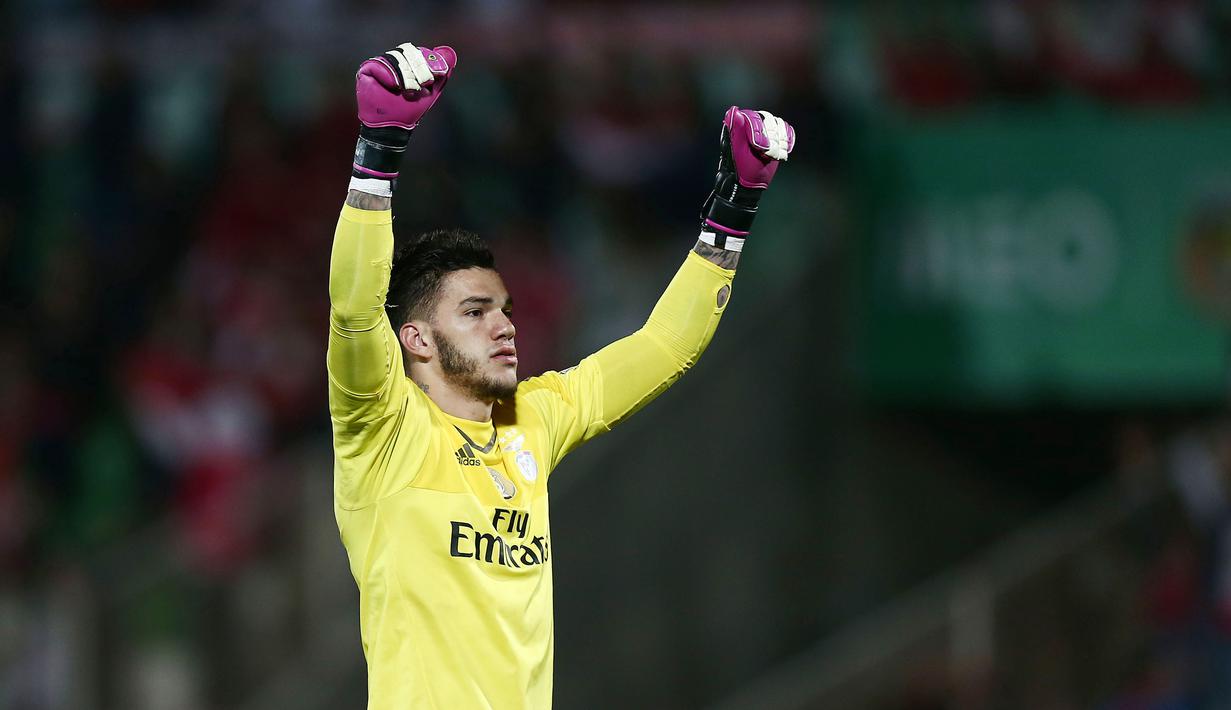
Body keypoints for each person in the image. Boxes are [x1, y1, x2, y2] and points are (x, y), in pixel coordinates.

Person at [327, 41, 794, 709]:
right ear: (418, 340)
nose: (504, 326)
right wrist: (379, 149)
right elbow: (354, 311)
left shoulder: (533, 420)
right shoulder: (381, 429)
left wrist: (734, 208)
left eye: (504, 310)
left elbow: (665, 347)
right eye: (474, 313)